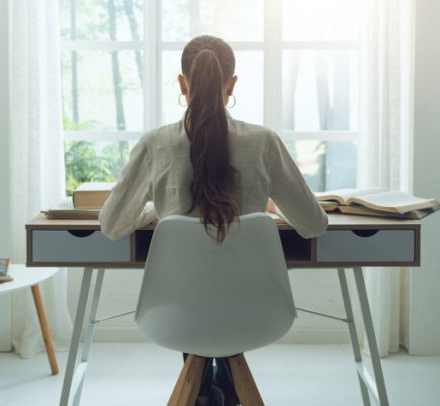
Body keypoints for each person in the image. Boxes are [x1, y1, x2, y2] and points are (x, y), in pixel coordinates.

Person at [99, 35, 328, 406]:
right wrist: (263, 208)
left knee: (197, 297)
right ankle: (220, 384)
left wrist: (163, 210)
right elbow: (314, 226)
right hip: (255, 312)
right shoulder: (263, 142)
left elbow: (111, 225)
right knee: (227, 292)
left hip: (176, 315)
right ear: (232, 84)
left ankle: (204, 386)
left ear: (182, 84)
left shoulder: (156, 144)